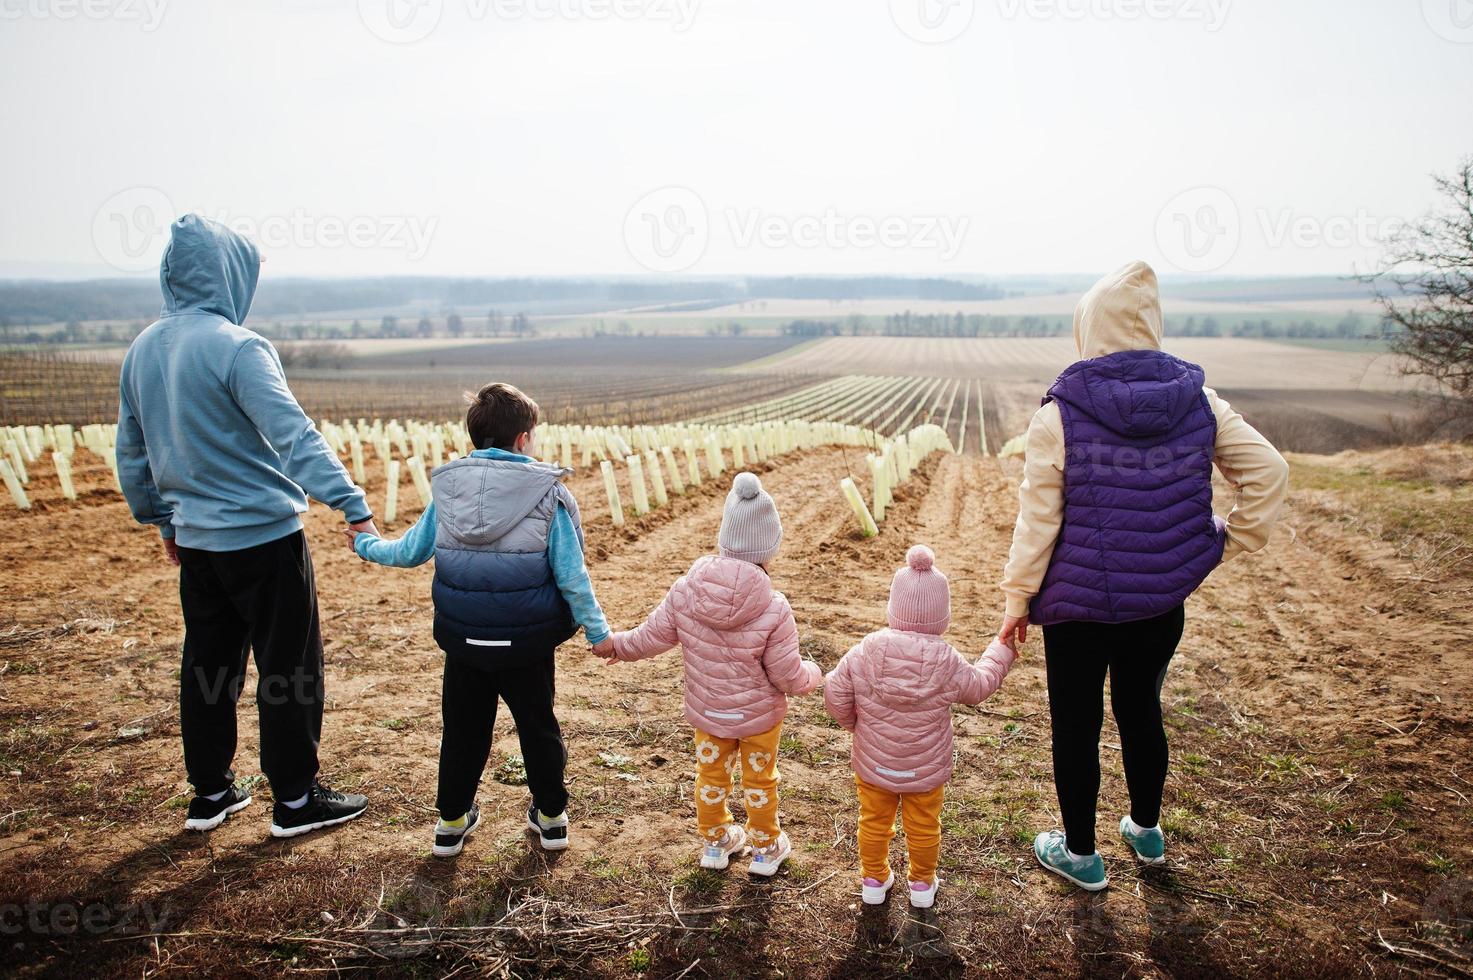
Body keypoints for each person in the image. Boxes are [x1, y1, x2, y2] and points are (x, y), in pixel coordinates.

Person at [997, 260, 1289, 891]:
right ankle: (1147, 830)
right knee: (1142, 710)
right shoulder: (1200, 404)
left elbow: (1037, 522)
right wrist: (1225, 543)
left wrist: (1018, 599)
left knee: (1076, 727)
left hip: (1075, 609)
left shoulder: (1060, 415)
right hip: (1158, 604)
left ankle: (1080, 854)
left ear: (1088, 329)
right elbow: (1270, 472)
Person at [117, 214, 376, 837]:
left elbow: (133, 452)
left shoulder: (141, 349)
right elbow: (293, 435)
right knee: (288, 669)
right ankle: (293, 800)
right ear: (232, 275)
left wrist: (161, 521)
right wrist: (349, 499)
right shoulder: (238, 347)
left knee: (209, 667)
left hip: (197, 543)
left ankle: (210, 794)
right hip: (264, 539)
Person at [345, 382, 612, 858]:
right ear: (525, 438)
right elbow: (572, 575)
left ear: (473, 435)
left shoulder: (448, 493)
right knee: (537, 726)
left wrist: (365, 543)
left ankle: (450, 823)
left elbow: (408, 552)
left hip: (463, 641)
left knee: (463, 730)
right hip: (526, 644)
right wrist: (598, 632)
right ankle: (551, 819)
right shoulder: (548, 495)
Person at [602, 472, 821, 877]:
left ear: (724, 539)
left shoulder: (686, 590)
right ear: (769, 549)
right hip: (758, 721)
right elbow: (788, 675)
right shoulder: (774, 607)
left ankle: (716, 842)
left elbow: (651, 636)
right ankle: (765, 848)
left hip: (709, 715)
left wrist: (617, 644)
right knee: (760, 780)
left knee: (711, 775)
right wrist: (813, 674)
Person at [825, 545, 1016, 909]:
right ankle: (922, 886)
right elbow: (979, 687)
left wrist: (855, 725)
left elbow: (835, 689)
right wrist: (1001, 650)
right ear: (941, 617)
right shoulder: (946, 659)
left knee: (874, 821)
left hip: (873, 764)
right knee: (924, 826)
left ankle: (874, 879)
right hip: (925, 769)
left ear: (893, 609)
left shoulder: (867, 649)